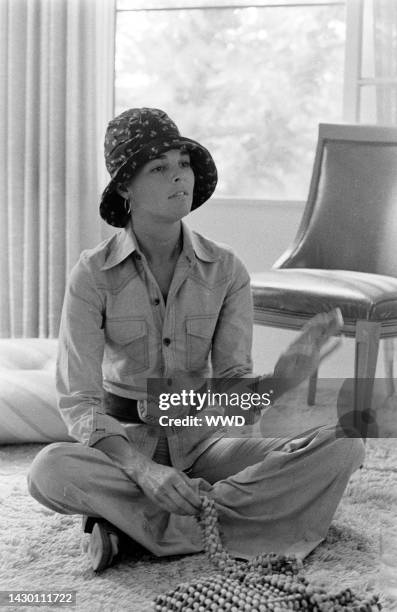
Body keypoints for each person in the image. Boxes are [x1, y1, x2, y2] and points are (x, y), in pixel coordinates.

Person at [27, 108, 365, 572]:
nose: (178, 177)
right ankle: (231, 519)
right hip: (125, 445)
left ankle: (138, 531)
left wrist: (284, 377)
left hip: (205, 442)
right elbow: (79, 401)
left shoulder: (226, 269)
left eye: (182, 163)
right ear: (126, 187)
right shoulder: (92, 273)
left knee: (347, 444)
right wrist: (143, 470)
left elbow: (231, 392)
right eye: (159, 168)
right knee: (49, 470)